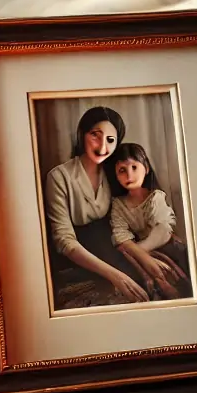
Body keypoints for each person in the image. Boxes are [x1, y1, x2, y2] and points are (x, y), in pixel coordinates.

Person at [44, 107, 149, 305]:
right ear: (82, 134)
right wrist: (115, 275)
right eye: (95, 135)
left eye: (110, 140)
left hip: (115, 250)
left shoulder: (116, 173)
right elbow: (64, 240)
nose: (102, 147)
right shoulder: (59, 177)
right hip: (80, 261)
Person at [109, 142, 192, 299]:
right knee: (126, 258)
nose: (129, 175)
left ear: (146, 169)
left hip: (167, 247)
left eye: (134, 167)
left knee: (175, 276)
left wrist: (139, 251)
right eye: (122, 170)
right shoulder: (118, 205)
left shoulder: (155, 197)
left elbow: (163, 230)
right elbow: (121, 236)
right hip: (140, 251)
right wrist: (140, 255)